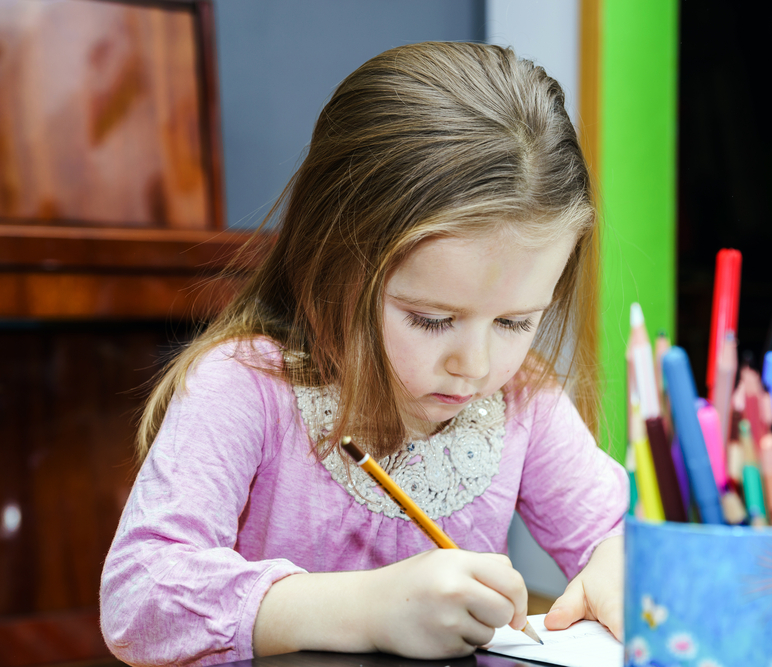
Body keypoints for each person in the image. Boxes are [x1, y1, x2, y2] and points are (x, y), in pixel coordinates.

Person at [100, 42, 628, 666]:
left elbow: (627, 534)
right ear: (332, 265)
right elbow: (140, 599)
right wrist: (366, 609)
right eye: (432, 319)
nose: (476, 365)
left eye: (516, 322)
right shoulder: (244, 388)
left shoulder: (522, 405)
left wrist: (624, 564)